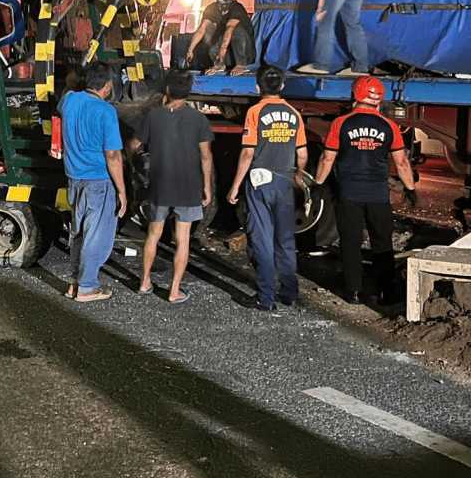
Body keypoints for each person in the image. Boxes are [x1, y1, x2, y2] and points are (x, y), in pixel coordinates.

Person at [313, 75, 418, 304]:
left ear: (355, 96)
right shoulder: (389, 125)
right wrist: (410, 188)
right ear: (379, 99)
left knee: (350, 243)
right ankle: (386, 292)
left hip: (349, 194)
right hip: (378, 196)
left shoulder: (341, 123)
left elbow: (327, 158)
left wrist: (318, 184)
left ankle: (354, 292)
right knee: (382, 244)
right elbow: (401, 162)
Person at [128, 70, 213, 303]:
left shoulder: (153, 117)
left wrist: (134, 161)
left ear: (167, 91)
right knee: (182, 239)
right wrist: (207, 187)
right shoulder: (199, 120)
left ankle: (144, 282)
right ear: (188, 93)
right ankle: (174, 290)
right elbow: (206, 156)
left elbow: (134, 144)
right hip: (188, 186)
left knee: (153, 234)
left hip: (159, 184)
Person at [226, 65, 306, 311]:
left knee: (261, 239)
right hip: (284, 181)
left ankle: (266, 297)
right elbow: (302, 153)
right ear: (282, 86)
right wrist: (299, 176)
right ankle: (290, 292)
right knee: (285, 239)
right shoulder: (294, 114)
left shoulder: (255, 112)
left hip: (260, 181)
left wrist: (235, 186)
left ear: (257, 86)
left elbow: (248, 152)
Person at [59, 62, 127, 303]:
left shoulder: (68, 100)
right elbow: (113, 155)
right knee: (96, 236)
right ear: (107, 86)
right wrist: (122, 191)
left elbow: (65, 98)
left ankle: (75, 283)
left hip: (74, 178)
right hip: (98, 180)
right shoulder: (105, 112)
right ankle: (87, 287)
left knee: (78, 233)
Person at [187, 0, 255, 74]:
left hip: (243, 53)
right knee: (209, 28)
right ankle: (219, 64)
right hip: (223, 56)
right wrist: (190, 50)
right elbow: (202, 29)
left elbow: (230, 28)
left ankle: (241, 65)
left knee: (236, 29)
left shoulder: (237, 7)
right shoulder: (211, 9)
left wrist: (222, 52)